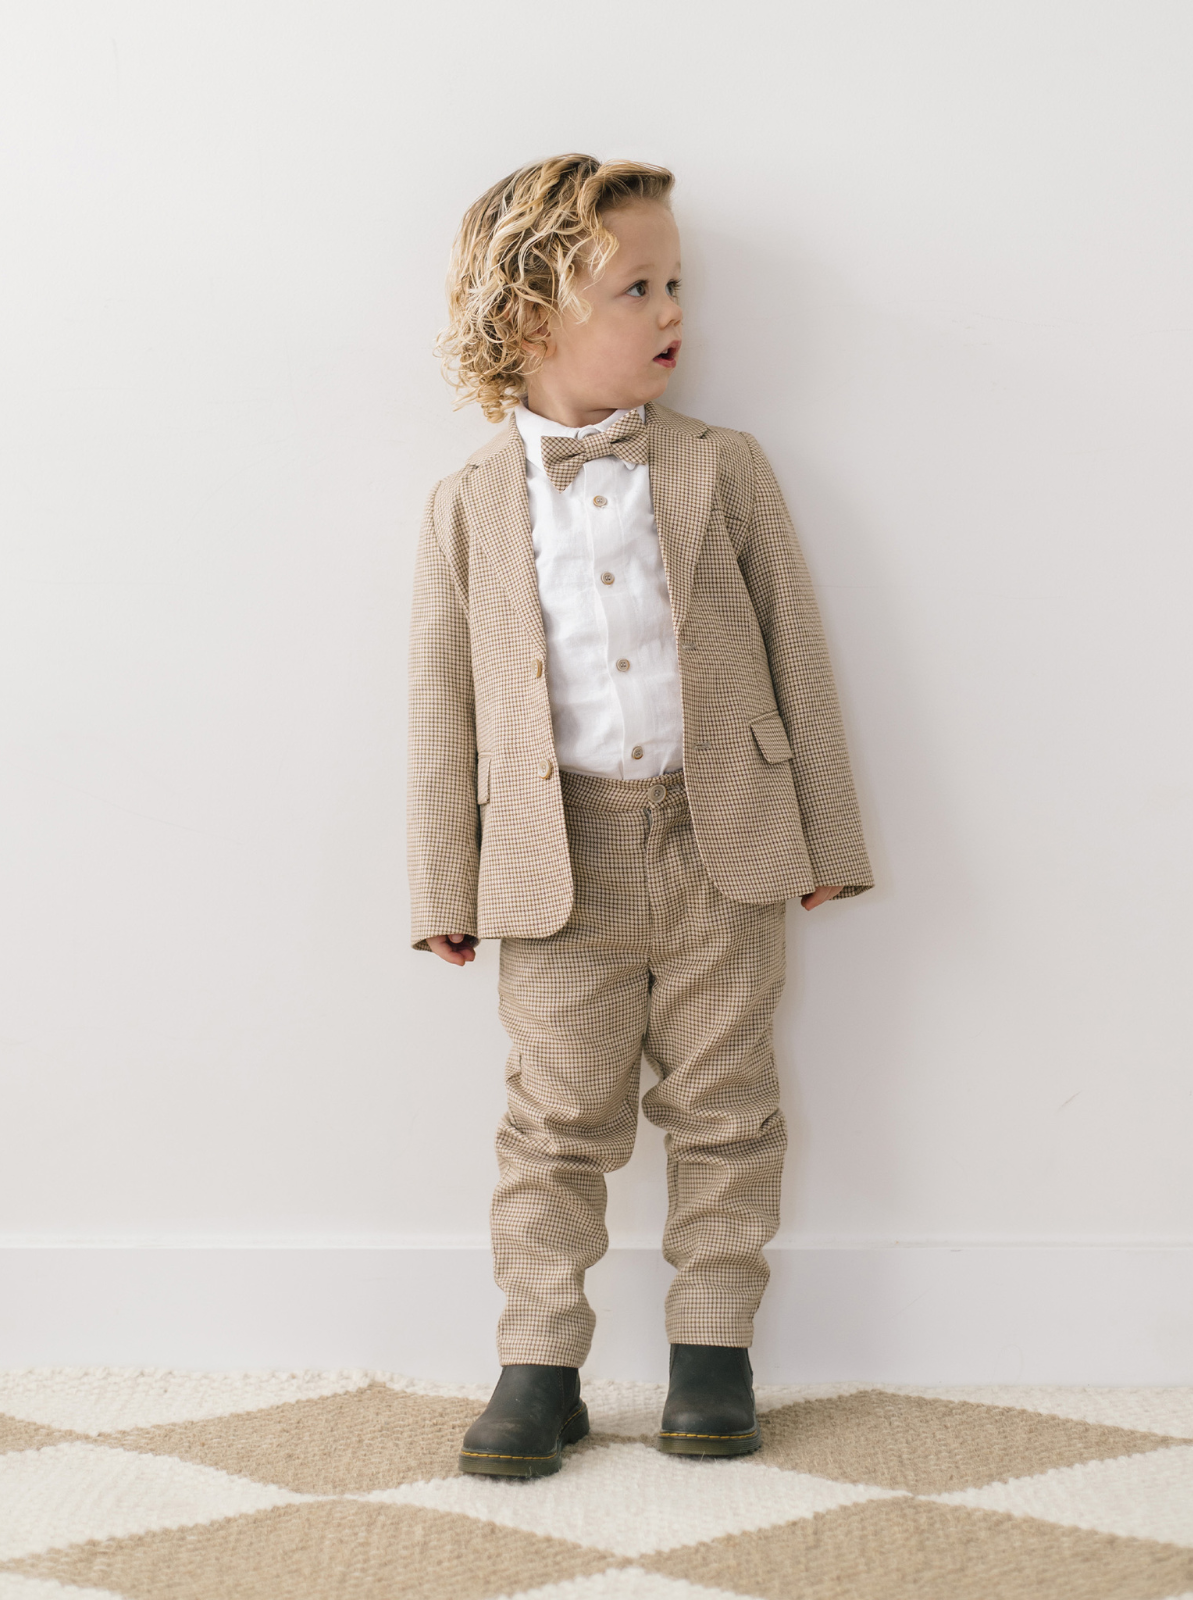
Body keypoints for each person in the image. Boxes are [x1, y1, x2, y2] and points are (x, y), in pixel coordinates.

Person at [408, 154, 871, 1477]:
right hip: (560, 865)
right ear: (532, 314)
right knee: (552, 1125)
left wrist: (827, 839)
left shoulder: (724, 469)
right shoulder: (466, 509)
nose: (674, 311)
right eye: (639, 288)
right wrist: (447, 886)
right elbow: (443, 710)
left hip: (721, 836)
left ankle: (711, 1355)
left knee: (728, 1106)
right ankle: (538, 1365)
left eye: (679, 285)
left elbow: (797, 655)